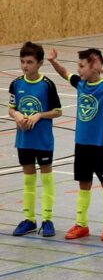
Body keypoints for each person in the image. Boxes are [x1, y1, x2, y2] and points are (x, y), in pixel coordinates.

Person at [47, 48, 103, 240]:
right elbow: (64, 73)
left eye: (82, 66)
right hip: (81, 144)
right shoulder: (81, 84)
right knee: (84, 183)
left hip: (100, 145)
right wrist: (53, 61)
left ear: (94, 66)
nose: (79, 70)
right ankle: (82, 224)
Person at [8, 42, 62, 237]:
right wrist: (16, 115)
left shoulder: (47, 85)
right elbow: (12, 108)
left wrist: (39, 115)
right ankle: (29, 219)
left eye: (29, 62)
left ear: (39, 63)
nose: (25, 66)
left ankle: (47, 220)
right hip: (24, 140)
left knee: (46, 178)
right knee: (29, 180)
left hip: (43, 140)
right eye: (22, 61)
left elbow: (58, 111)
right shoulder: (16, 84)